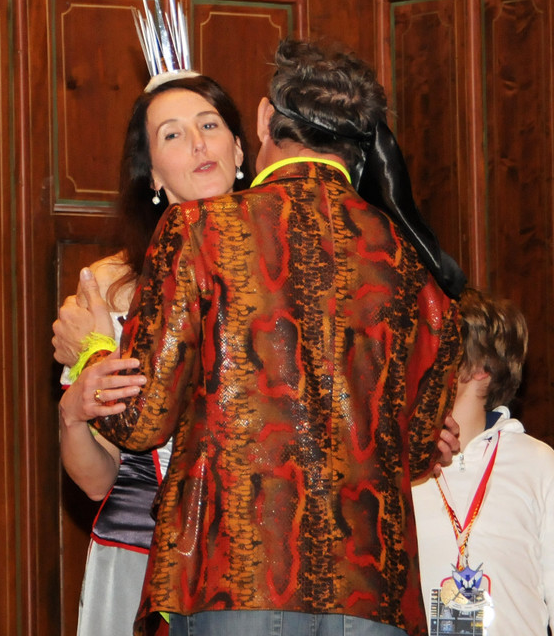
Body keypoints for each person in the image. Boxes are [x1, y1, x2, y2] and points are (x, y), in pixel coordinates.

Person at [61, 37, 466, 636]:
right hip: (375, 588)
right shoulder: (412, 261)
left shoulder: (201, 230)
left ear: (260, 120)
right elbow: (419, 451)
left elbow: (141, 422)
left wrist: (94, 350)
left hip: (236, 575)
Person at [54, 72, 250, 636]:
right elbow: (98, 482)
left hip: (260, 565)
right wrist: (73, 412)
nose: (198, 143)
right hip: (138, 558)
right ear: (153, 176)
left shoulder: (289, 268)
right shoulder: (107, 290)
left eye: (210, 125)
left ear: (239, 149)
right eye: (172, 134)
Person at [413, 288, 554, 635]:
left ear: (481, 367)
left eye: (442, 345)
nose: (423, 358)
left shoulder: (538, 463)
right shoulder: (404, 466)